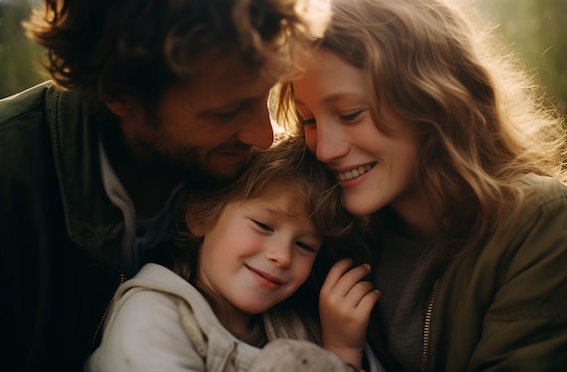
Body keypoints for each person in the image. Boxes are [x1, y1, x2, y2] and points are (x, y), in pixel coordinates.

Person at [0, 0, 320, 370]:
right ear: (121, 94)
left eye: (265, 97)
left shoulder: (254, 175)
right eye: (225, 112)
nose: (263, 135)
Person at [277, 0, 567, 371]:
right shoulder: (329, 238)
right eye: (308, 120)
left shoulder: (542, 225)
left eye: (351, 114)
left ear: (431, 97)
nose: (325, 148)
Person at [85, 136, 383, 371]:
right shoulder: (151, 315)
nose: (282, 256)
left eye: (305, 245)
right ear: (200, 216)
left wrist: (342, 351)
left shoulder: (304, 326)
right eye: (263, 225)